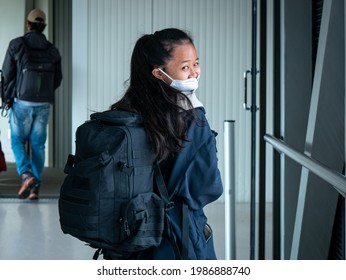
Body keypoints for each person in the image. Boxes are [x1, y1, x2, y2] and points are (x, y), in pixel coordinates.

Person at [108, 28, 223, 259]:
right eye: (184, 67)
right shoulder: (192, 118)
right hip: (176, 234)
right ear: (159, 73)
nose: (194, 73)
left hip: (128, 233)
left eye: (196, 63)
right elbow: (207, 186)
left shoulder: (124, 111)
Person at [1, 8, 62, 199]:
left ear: (28, 25)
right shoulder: (52, 50)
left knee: (17, 141)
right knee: (38, 146)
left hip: (21, 102)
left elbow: (6, 74)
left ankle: (26, 175)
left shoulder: (17, 44)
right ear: (43, 26)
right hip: (43, 104)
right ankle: (35, 189)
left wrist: (6, 99)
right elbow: (58, 79)